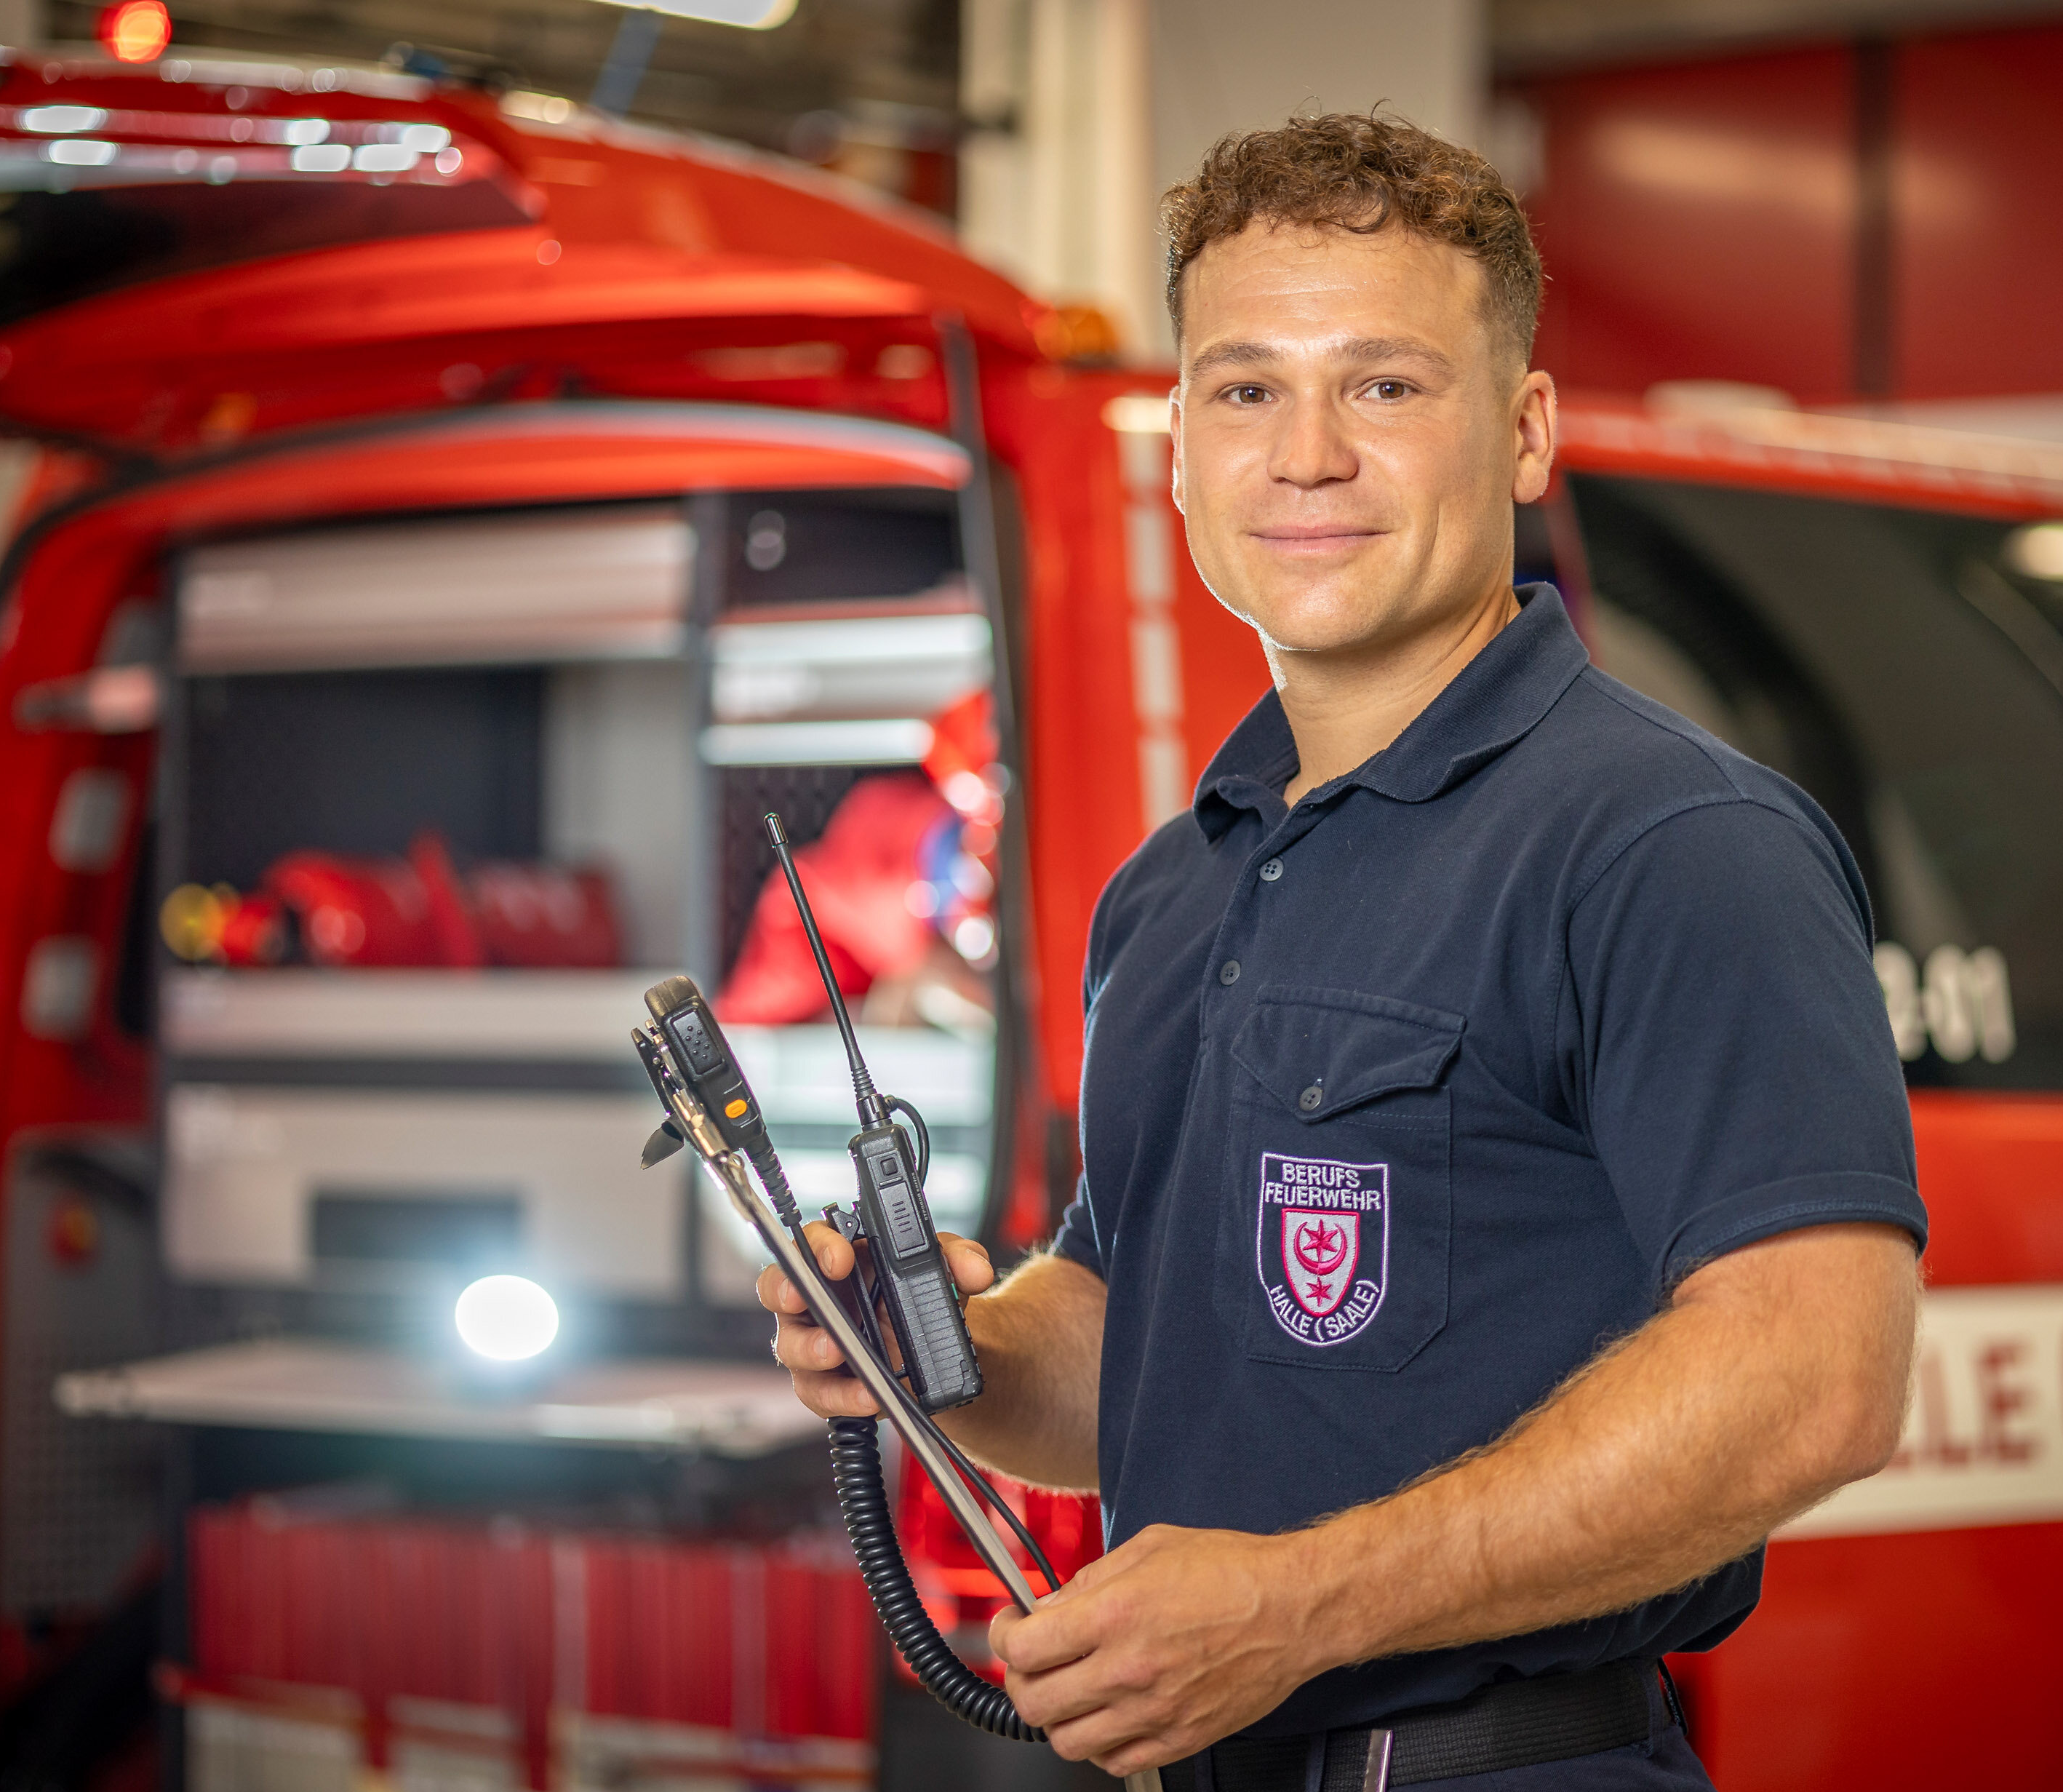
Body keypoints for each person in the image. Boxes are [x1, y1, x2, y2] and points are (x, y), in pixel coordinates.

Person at [759, 111, 1923, 1790]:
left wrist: (1298, 1604)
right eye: (1243, 388)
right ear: (1177, 447)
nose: (1303, 454)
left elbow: (1822, 1374)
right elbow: (1128, 1337)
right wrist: (958, 1347)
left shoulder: (1670, 844)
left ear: (1522, 434)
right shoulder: (1173, 886)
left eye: (1381, 384)